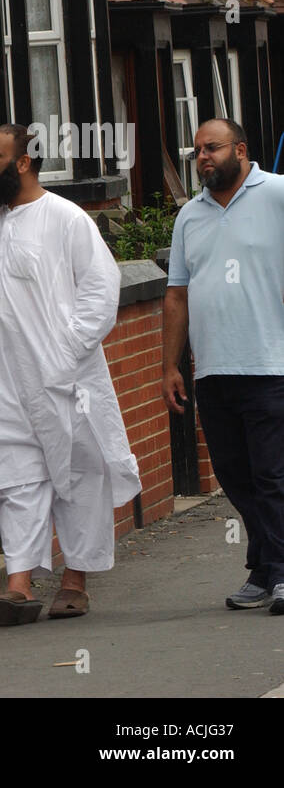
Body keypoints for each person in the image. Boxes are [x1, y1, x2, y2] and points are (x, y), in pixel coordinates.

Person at [0, 124, 140, 625]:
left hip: (64, 379)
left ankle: (74, 582)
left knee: (79, 474)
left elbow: (100, 291)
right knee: (14, 475)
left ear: (23, 162)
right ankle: (19, 585)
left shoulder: (66, 219)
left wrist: (64, 352)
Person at [162, 118, 284, 613]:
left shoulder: (276, 193)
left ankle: (278, 571)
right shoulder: (189, 216)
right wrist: (170, 364)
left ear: (240, 149)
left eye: (211, 148)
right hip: (213, 370)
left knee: (272, 475)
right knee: (234, 474)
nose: (203, 158)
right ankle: (266, 564)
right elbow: (176, 296)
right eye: (196, 152)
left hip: (271, 364)